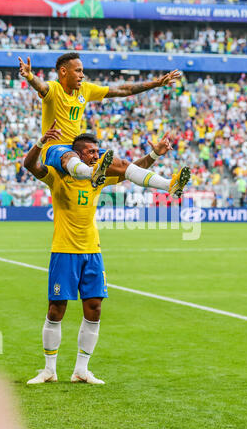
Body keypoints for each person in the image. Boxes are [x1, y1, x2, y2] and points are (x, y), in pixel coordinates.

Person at [24, 122, 175, 385]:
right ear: (79, 154)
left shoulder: (98, 177)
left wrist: (155, 155)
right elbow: (30, 166)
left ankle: (81, 370)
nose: (97, 155)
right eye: (92, 152)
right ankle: (49, 369)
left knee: (94, 309)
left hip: (92, 251)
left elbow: (129, 171)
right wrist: (40, 143)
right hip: (64, 250)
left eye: (97, 152)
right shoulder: (57, 175)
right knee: (56, 309)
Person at [18, 53, 188, 197]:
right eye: (78, 71)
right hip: (55, 149)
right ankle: (93, 173)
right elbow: (41, 86)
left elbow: (124, 90)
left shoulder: (85, 89)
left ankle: (169, 185)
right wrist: (30, 76)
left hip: (77, 147)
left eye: (82, 71)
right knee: (70, 157)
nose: (82, 75)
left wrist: (156, 83)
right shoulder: (53, 89)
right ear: (63, 71)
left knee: (121, 164)